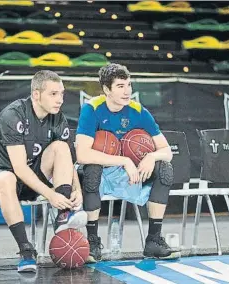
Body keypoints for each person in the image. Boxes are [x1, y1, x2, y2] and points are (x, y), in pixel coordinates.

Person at [0, 70, 87, 273]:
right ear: (36, 95)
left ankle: (63, 214)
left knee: (61, 147)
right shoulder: (14, 114)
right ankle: (26, 251)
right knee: (7, 178)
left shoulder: (57, 118)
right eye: (53, 94)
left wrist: (77, 190)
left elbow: (68, 160)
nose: (60, 100)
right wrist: (50, 194)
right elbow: (19, 167)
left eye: (62, 93)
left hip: (31, 178)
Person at [75, 63, 178, 263]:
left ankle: (153, 240)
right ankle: (93, 242)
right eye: (121, 86)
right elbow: (82, 155)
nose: (127, 91)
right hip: (101, 171)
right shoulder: (92, 109)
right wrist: (124, 160)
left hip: (128, 173)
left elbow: (166, 151)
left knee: (165, 169)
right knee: (92, 171)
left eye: (129, 85)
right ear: (106, 89)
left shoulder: (138, 111)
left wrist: (150, 157)